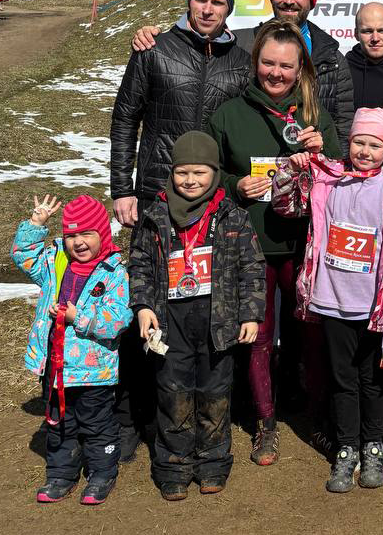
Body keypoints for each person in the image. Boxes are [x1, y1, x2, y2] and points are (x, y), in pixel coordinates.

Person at [110, 0, 248, 460]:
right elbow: (125, 119)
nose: (208, 9)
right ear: (189, 1)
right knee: (144, 301)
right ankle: (133, 414)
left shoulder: (241, 62)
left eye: (217, 2)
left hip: (212, 203)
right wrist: (122, 189)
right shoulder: (154, 49)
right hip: (155, 197)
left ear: (229, 8)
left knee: (198, 308)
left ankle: (200, 411)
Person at [207, 18, 341, 466]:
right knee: (259, 335)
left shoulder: (314, 115)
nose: (276, 73)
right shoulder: (230, 113)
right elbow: (206, 173)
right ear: (256, 62)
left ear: (300, 69)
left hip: (304, 243)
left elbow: (346, 175)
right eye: (269, 63)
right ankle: (265, 424)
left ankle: (316, 416)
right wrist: (233, 185)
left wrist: (325, 152)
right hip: (253, 244)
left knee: (310, 334)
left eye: (286, 66)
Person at [129, 131, 267, 500]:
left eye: (199, 173)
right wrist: (143, 306)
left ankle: (213, 462)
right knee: (173, 394)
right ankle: (174, 465)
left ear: (215, 173)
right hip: (169, 322)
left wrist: (250, 314)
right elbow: (139, 265)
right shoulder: (155, 216)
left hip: (217, 323)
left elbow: (252, 268)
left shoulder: (232, 216)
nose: (190, 180)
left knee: (214, 394)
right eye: (182, 172)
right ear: (172, 173)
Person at [289, 108, 383, 494]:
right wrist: (292, 170)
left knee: (373, 380)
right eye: (359, 142)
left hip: (374, 303)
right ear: (349, 143)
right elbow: (285, 204)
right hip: (332, 298)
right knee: (342, 379)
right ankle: (347, 448)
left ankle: (374, 446)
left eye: (374, 145)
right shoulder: (327, 178)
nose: (365, 151)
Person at [131, 0, 354, 148]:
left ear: (312, 0)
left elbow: (343, 129)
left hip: (311, 169)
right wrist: (157, 36)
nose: (288, 0)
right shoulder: (241, 43)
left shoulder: (333, 59)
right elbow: (200, 43)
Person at [11, 193, 131, 506]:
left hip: (94, 370)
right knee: (59, 423)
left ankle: (102, 473)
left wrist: (79, 317)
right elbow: (24, 257)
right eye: (71, 235)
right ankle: (61, 475)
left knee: (97, 424)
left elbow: (118, 320)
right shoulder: (55, 263)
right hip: (56, 366)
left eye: (86, 234)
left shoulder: (113, 272)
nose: (78, 242)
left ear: (102, 233)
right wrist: (36, 223)